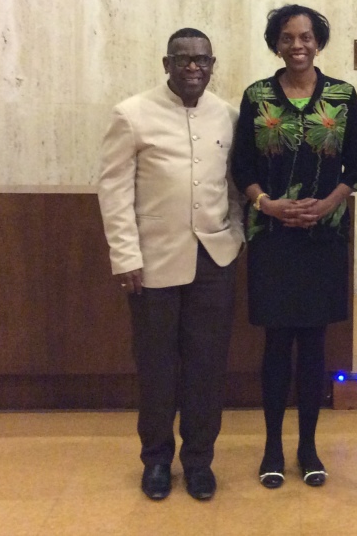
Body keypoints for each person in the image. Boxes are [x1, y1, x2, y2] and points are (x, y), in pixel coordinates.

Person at [97, 28, 244, 502]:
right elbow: (114, 192)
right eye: (183, 60)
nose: (193, 68)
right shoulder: (132, 114)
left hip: (214, 261)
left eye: (202, 60)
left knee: (207, 367)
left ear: (213, 64)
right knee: (157, 368)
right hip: (152, 265)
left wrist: (236, 235)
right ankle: (157, 460)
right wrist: (125, 255)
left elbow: (237, 187)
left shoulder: (227, 115)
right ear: (166, 64)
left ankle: (199, 461)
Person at [231, 4, 357, 490]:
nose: (298, 46)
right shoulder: (257, 96)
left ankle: (308, 446)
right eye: (287, 37)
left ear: (319, 41)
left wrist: (324, 203)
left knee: (313, 346)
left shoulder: (343, 96)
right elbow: (241, 169)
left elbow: (356, 171)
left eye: (306, 37)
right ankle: (271, 446)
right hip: (271, 240)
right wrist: (269, 206)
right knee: (275, 346)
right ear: (275, 42)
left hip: (322, 240)